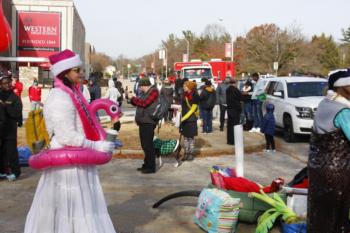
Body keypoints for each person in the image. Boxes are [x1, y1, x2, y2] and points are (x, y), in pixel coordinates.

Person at [24, 50, 116, 233]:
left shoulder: (74, 94)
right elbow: (67, 135)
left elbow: (83, 125)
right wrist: (95, 145)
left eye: (80, 69)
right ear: (64, 73)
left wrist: (101, 138)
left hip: (79, 160)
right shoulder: (60, 97)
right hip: (67, 166)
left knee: (80, 208)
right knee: (67, 208)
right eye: (76, 70)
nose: (81, 73)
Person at [307, 69, 350, 233]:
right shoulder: (343, 111)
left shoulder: (326, 103)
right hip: (337, 172)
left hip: (318, 169)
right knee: (336, 218)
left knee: (319, 215)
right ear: (343, 87)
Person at [129, 78, 159, 174]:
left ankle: (151, 167)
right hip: (143, 121)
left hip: (149, 121)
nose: (140, 89)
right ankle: (146, 164)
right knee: (144, 145)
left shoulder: (153, 91)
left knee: (148, 145)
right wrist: (130, 98)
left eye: (141, 87)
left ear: (144, 85)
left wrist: (133, 98)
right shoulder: (146, 93)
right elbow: (139, 103)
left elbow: (144, 103)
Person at [0, 75, 22, 181]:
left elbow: (17, 113)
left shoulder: (15, 98)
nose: (8, 85)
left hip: (10, 130)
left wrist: (6, 106)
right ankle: (2, 171)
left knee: (11, 151)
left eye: (9, 82)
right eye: (5, 83)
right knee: (1, 151)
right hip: (0, 130)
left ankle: (15, 172)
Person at [180, 81, 199, 161]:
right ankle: (186, 153)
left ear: (189, 87)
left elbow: (193, 109)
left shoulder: (195, 95)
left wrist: (184, 118)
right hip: (184, 118)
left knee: (191, 137)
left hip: (191, 119)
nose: (184, 87)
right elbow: (183, 106)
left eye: (185, 86)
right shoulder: (184, 94)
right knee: (185, 137)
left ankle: (191, 153)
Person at [226, 78, 243, 145]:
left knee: (229, 126)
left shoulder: (228, 89)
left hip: (229, 109)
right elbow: (241, 97)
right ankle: (234, 140)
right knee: (235, 126)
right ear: (235, 83)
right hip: (235, 110)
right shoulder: (235, 90)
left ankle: (229, 141)